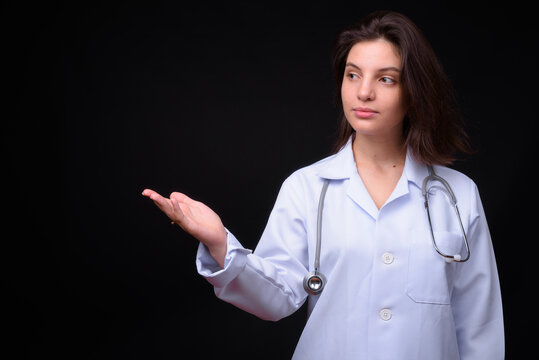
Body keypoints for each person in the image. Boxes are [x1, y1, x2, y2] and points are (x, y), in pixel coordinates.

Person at [142, 10, 504, 359]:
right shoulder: (307, 187)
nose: (363, 92)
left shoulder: (458, 194)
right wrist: (221, 243)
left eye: (386, 78)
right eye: (352, 75)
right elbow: (276, 298)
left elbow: (479, 326)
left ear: (414, 91)